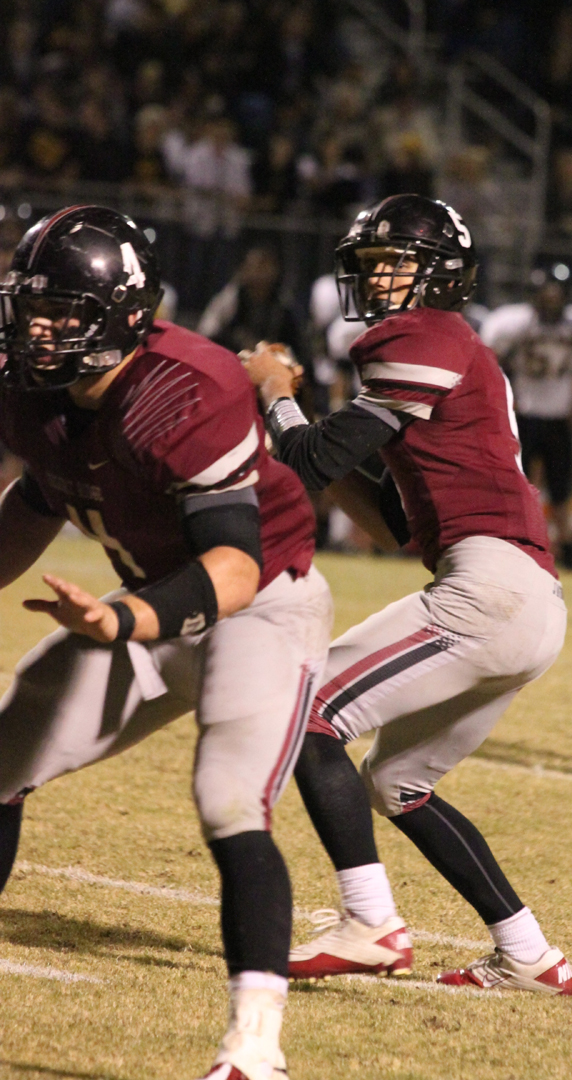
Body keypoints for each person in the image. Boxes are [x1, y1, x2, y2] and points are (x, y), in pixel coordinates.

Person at [0, 206, 333, 1080]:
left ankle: (255, 1047)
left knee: (229, 797)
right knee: (5, 750)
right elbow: (44, 495)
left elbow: (231, 566)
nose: (39, 327)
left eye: (64, 310)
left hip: (261, 603)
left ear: (119, 317)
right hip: (150, 605)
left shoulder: (187, 385)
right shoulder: (33, 389)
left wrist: (121, 621)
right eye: (31, 305)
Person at [243, 195, 572, 996]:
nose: (377, 277)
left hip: (487, 591)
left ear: (440, 275)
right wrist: (292, 434)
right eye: (371, 262)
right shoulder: (445, 349)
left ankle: (369, 922)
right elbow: (392, 517)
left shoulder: (418, 335)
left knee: (309, 711)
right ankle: (528, 953)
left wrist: (275, 392)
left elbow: (312, 459)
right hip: (523, 597)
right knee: (398, 785)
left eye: (394, 261)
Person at [481, 273, 572, 568]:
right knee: (514, 484)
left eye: (556, 295)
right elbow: (489, 364)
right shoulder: (512, 323)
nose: (551, 301)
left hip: (557, 415)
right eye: (546, 295)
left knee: (561, 489)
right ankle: (508, 541)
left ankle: (566, 546)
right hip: (523, 413)